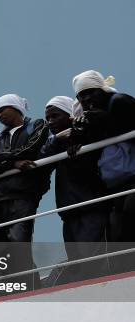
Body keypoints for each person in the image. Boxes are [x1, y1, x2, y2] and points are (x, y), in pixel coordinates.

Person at [0, 94, 51, 291]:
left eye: (3, 109)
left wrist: (3, 160)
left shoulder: (37, 125)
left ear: (15, 107)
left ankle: (31, 289)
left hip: (23, 193)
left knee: (18, 242)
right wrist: (13, 163)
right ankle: (7, 290)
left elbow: (32, 148)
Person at [40, 96, 110, 284]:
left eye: (55, 116)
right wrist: (57, 139)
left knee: (91, 258)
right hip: (68, 209)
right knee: (76, 259)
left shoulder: (87, 129)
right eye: (48, 118)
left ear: (70, 115)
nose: (50, 122)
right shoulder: (56, 141)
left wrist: (81, 140)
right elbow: (42, 159)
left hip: (91, 204)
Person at [71, 70, 135, 246]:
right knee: (117, 227)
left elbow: (125, 129)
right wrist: (79, 140)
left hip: (131, 178)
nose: (85, 99)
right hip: (116, 183)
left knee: (129, 215)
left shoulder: (119, 102)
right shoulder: (94, 114)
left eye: (90, 92)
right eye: (81, 96)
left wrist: (105, 120)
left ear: (102, 90)